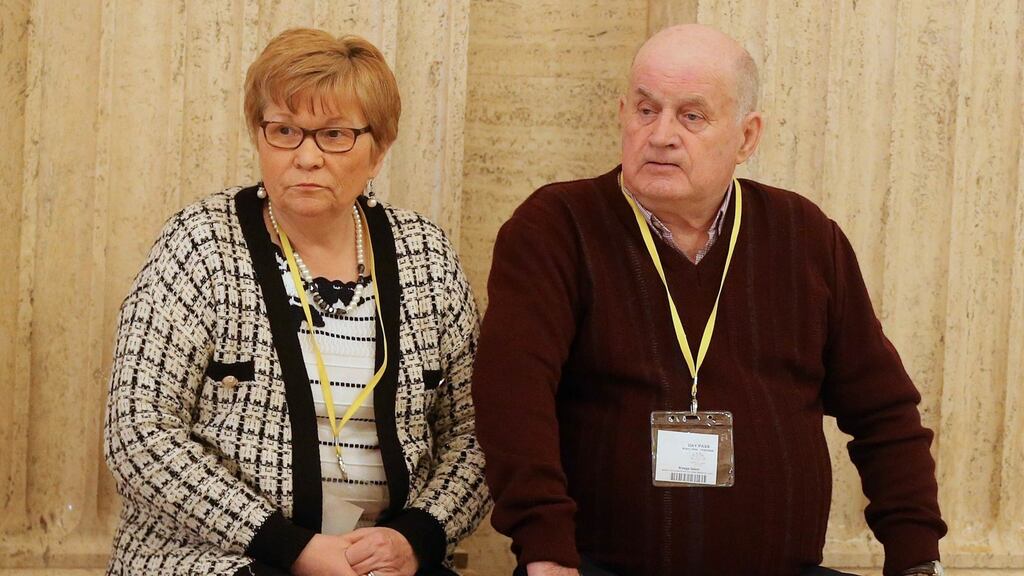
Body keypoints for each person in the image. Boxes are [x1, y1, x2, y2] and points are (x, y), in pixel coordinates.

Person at [472, 24, 946, 576]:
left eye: (691, 116)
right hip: (600, 566)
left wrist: (917, 557)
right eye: (646, 111)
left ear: (747, 137)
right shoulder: (557, 227)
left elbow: (884, 411)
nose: (661, 135)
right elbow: (513, 397)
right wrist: (546, 551)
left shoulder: (804, 236)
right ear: (622, 113)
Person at [104, 28, 489, 576]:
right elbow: (137, 432)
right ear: (259, 136)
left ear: (377, 150)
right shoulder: (200, 244)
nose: (306, 157)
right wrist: (291, 548)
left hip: (385, 564)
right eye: (284, 131)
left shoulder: (425, 255)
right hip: (217, 558)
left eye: (334, 135)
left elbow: (476, 432)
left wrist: (419, 536)